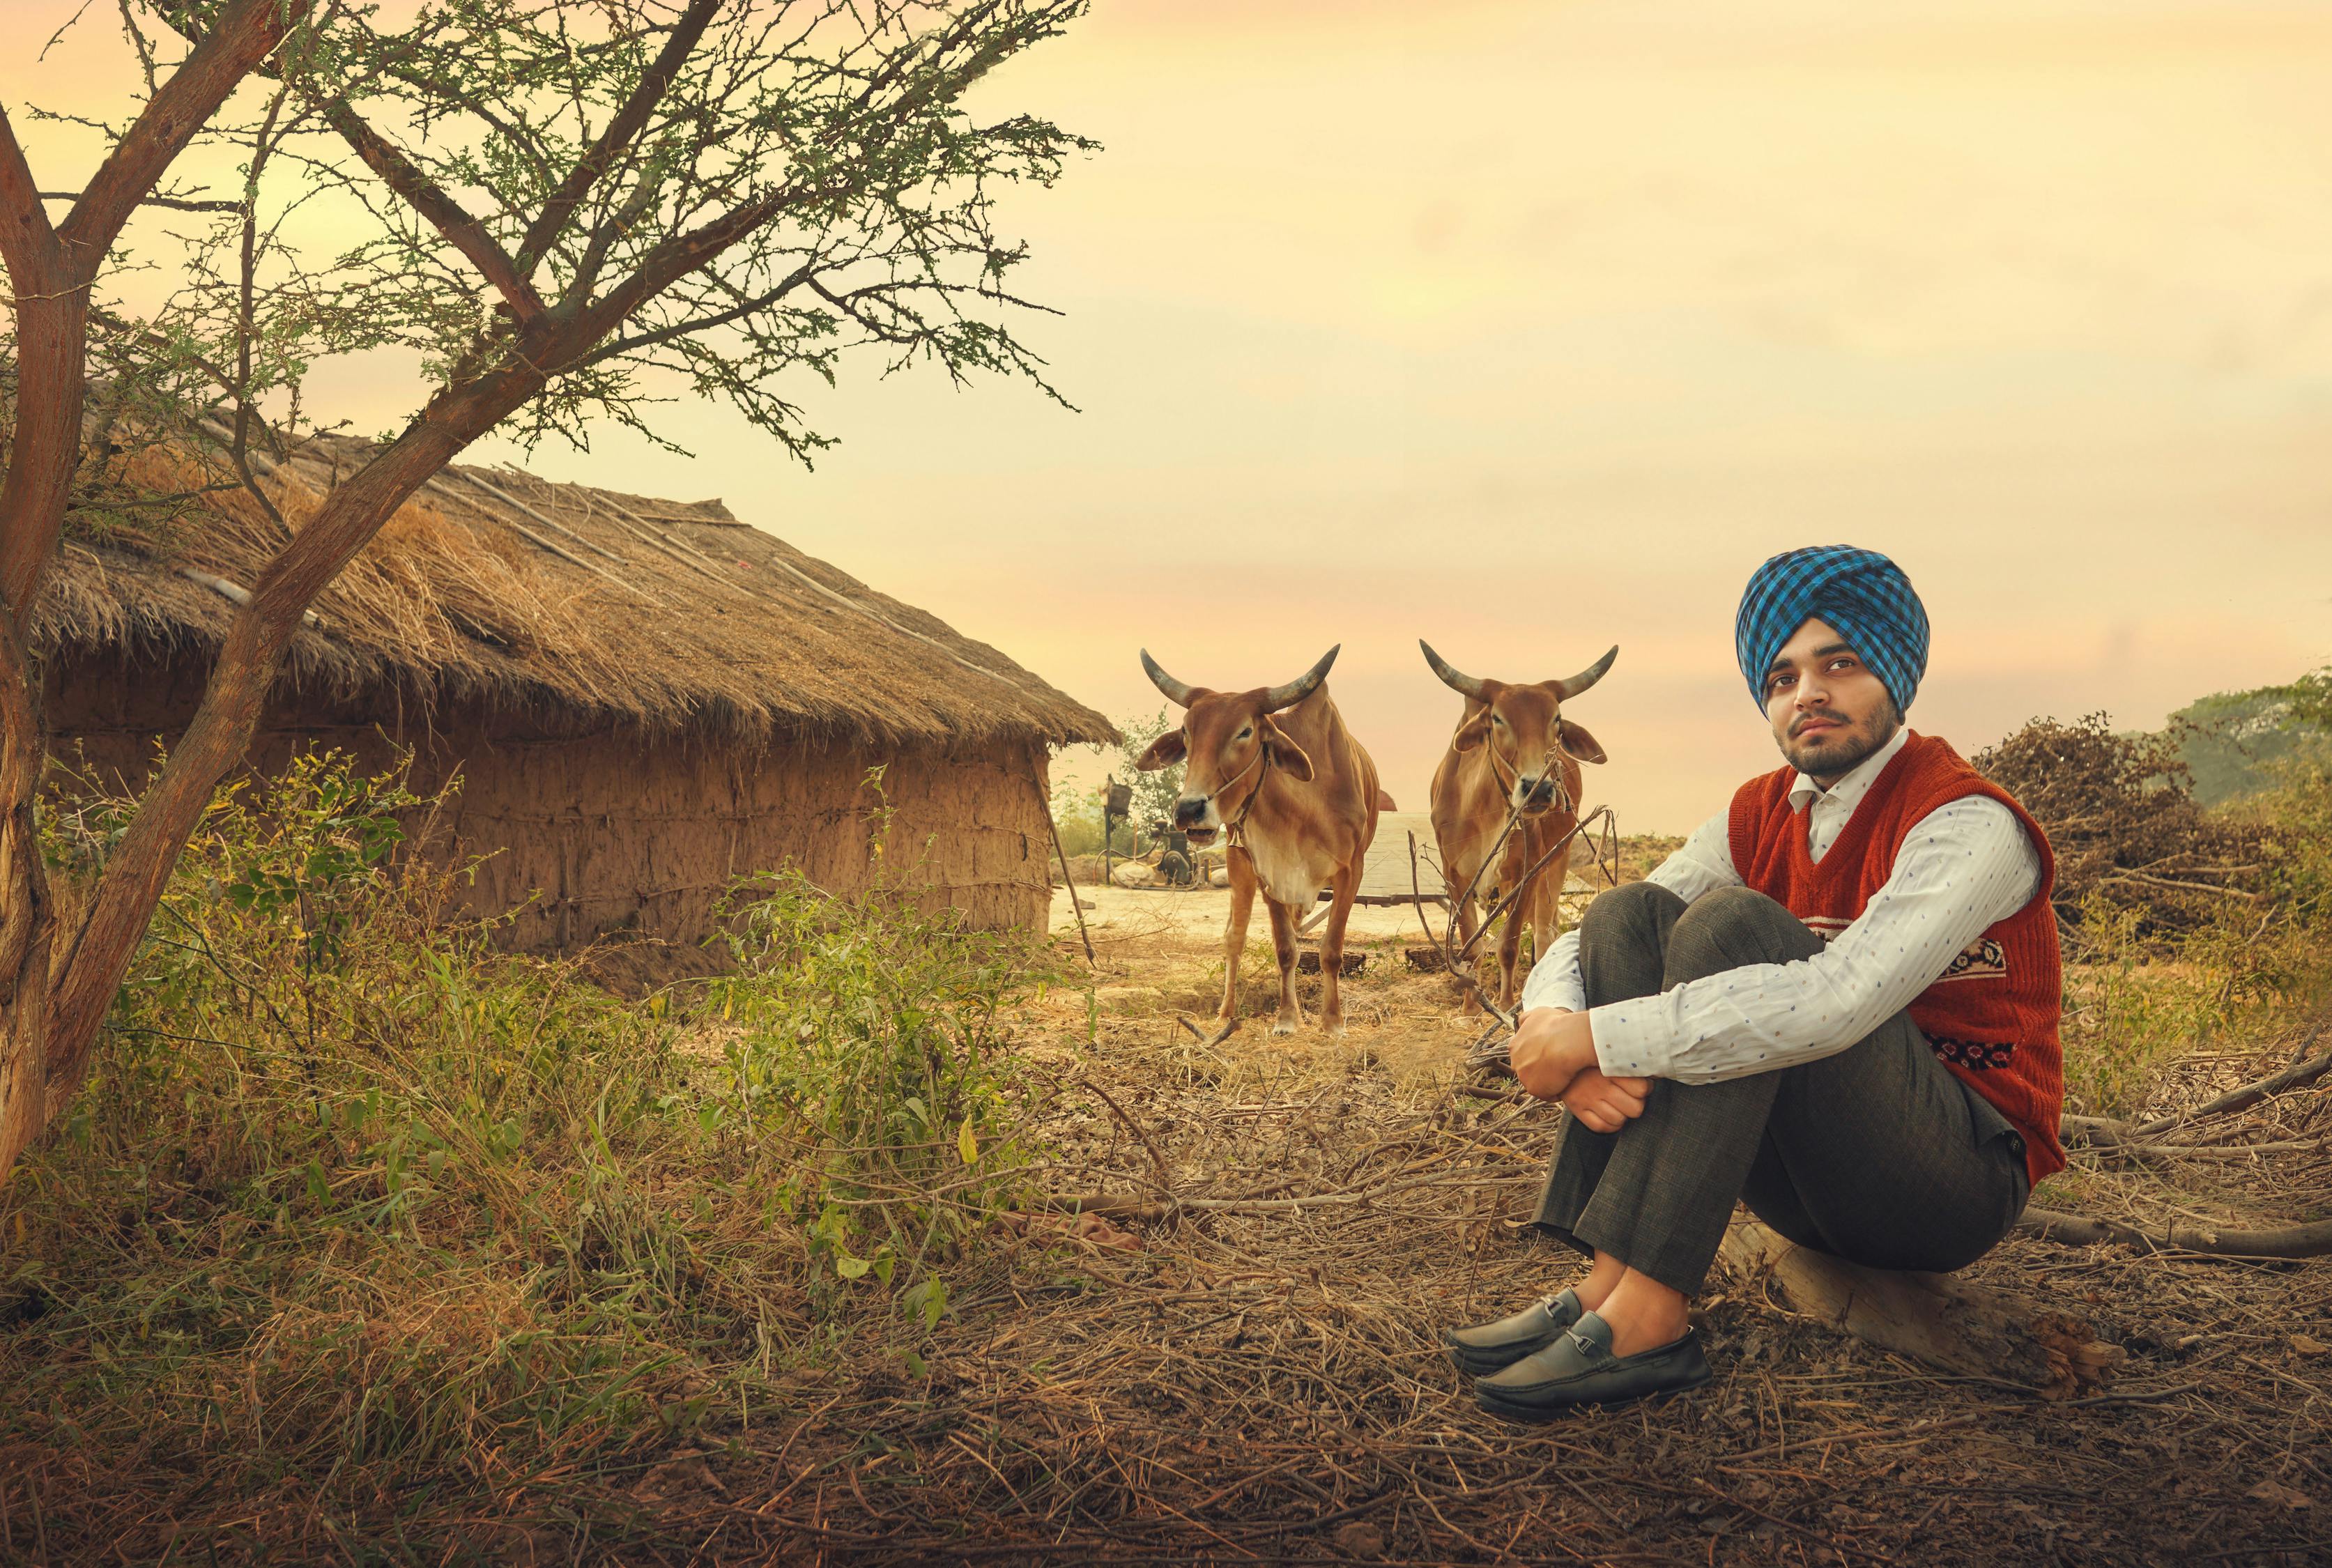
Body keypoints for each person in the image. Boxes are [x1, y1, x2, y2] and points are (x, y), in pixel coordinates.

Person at [1445, 545, 2063, 1421]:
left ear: (1893, 673)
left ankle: (1651, 1321)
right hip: (1802, 1174)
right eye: (1780, 678)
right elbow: (1594, 937)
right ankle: (1607, 1285)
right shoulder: (1759, 811)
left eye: (1838, 664)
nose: (1806, 693)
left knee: (1736, 928)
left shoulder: (1967, 821)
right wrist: (1549, 1018)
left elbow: (1836, 1002)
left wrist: (1596, 1042)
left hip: (1946, 1182)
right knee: (1629, 914)